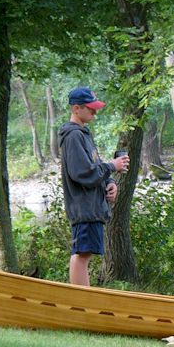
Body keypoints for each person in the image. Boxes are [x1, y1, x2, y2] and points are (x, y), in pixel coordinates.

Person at [59, 87, 129, 286]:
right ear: (76, 108)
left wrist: (110, 182)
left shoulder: (84, 134)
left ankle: (83, 302)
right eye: (90, 109)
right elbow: (82, 173)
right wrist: (111, 166)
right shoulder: (73, 136)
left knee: (85, 254)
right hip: (84, 207)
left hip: (92, 206)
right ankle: (80, 305)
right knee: (82, 254)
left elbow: (94, 166)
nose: (94, 112)